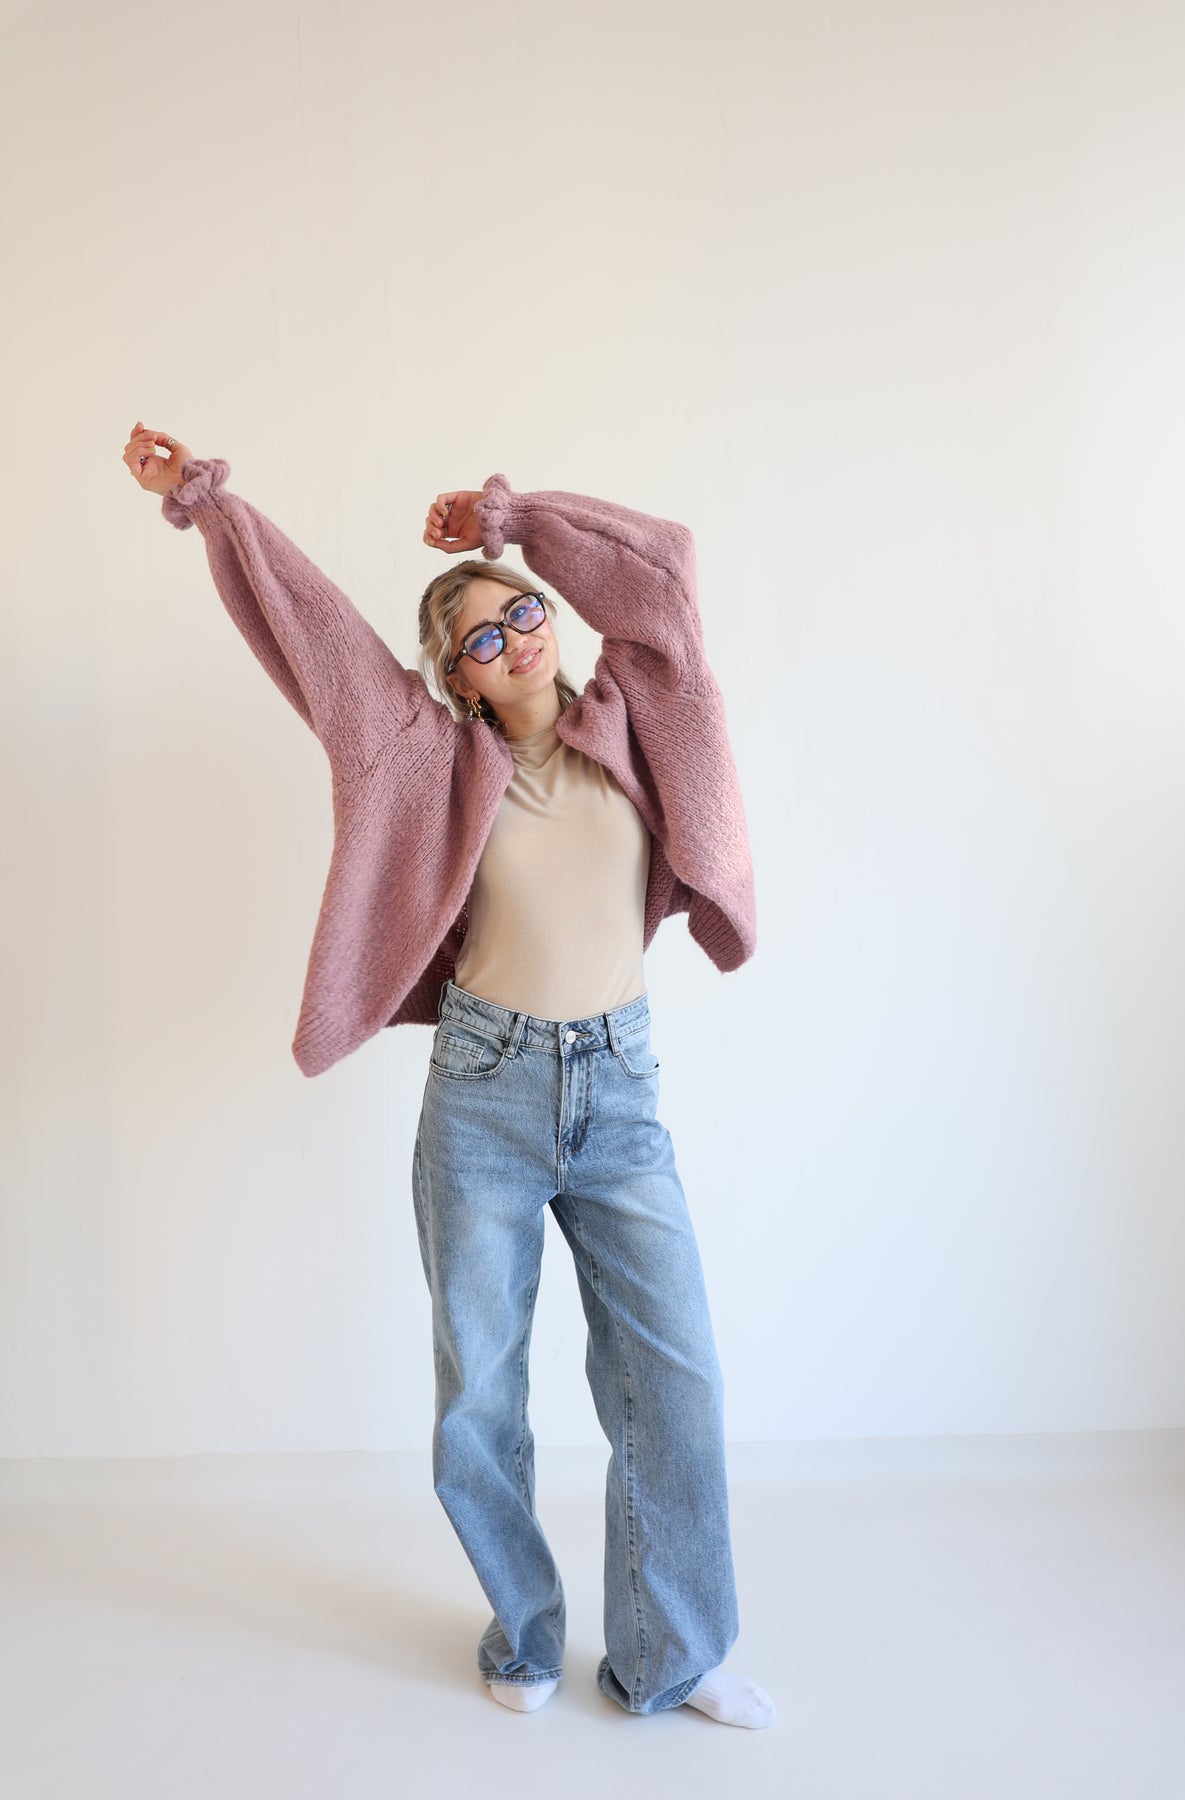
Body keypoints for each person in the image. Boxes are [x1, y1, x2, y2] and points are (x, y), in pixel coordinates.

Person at [122, 421, 775, 1728]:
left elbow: (664, 571)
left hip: (620, 1095)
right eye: (480, 637)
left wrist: (516, 524)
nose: (514, 638)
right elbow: (319, 645)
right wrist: (210, 507)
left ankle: (673, 1653)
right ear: (455, 677)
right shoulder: (426, 756)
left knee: (677, 1380)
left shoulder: (642, 708)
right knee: (481, 1394)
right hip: (484, 1097)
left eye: (522, 612)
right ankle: (524, 1634)